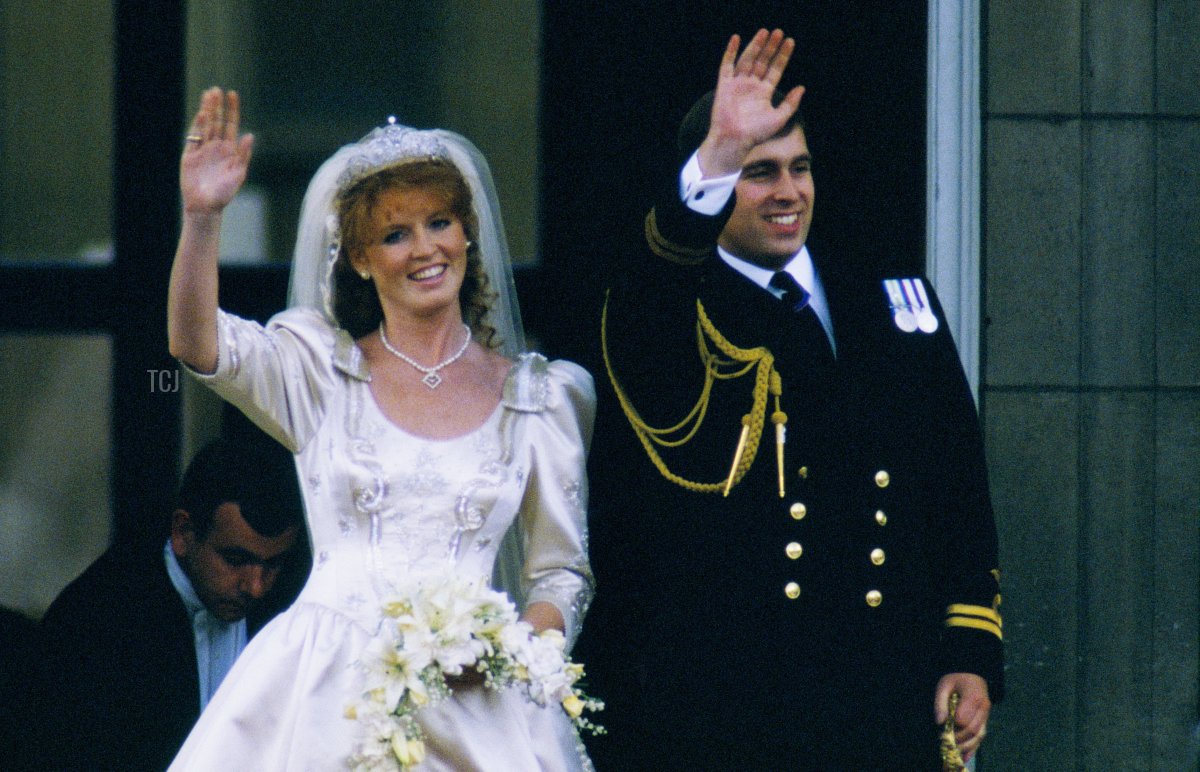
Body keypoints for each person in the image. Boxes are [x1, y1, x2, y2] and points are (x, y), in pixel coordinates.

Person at [579, 29, 1003, 770]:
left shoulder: (890, 297)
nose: (788, 192)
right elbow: (651, 288)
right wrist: (711, 160)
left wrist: (970, 649)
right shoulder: (677, 306)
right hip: (735, 708)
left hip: (884, 693)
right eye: (758, 172)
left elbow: (956, 489)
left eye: (799, 169)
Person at [166, 88, 596, 770]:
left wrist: (507, 654)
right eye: (395, 234)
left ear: (466, 232)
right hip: (323, 694)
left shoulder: (539, 399)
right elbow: (196, 344)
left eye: (440, 223)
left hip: (478, 709)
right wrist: (202, 217)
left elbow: (559, 574)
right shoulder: (317, 371)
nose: (425, 249)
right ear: (361, 258)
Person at [32, 436, 304, 771]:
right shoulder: (94, 621)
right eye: (235, 560)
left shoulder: (296, 599)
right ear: (183, 533)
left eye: (272, 564)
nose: (257, 587)